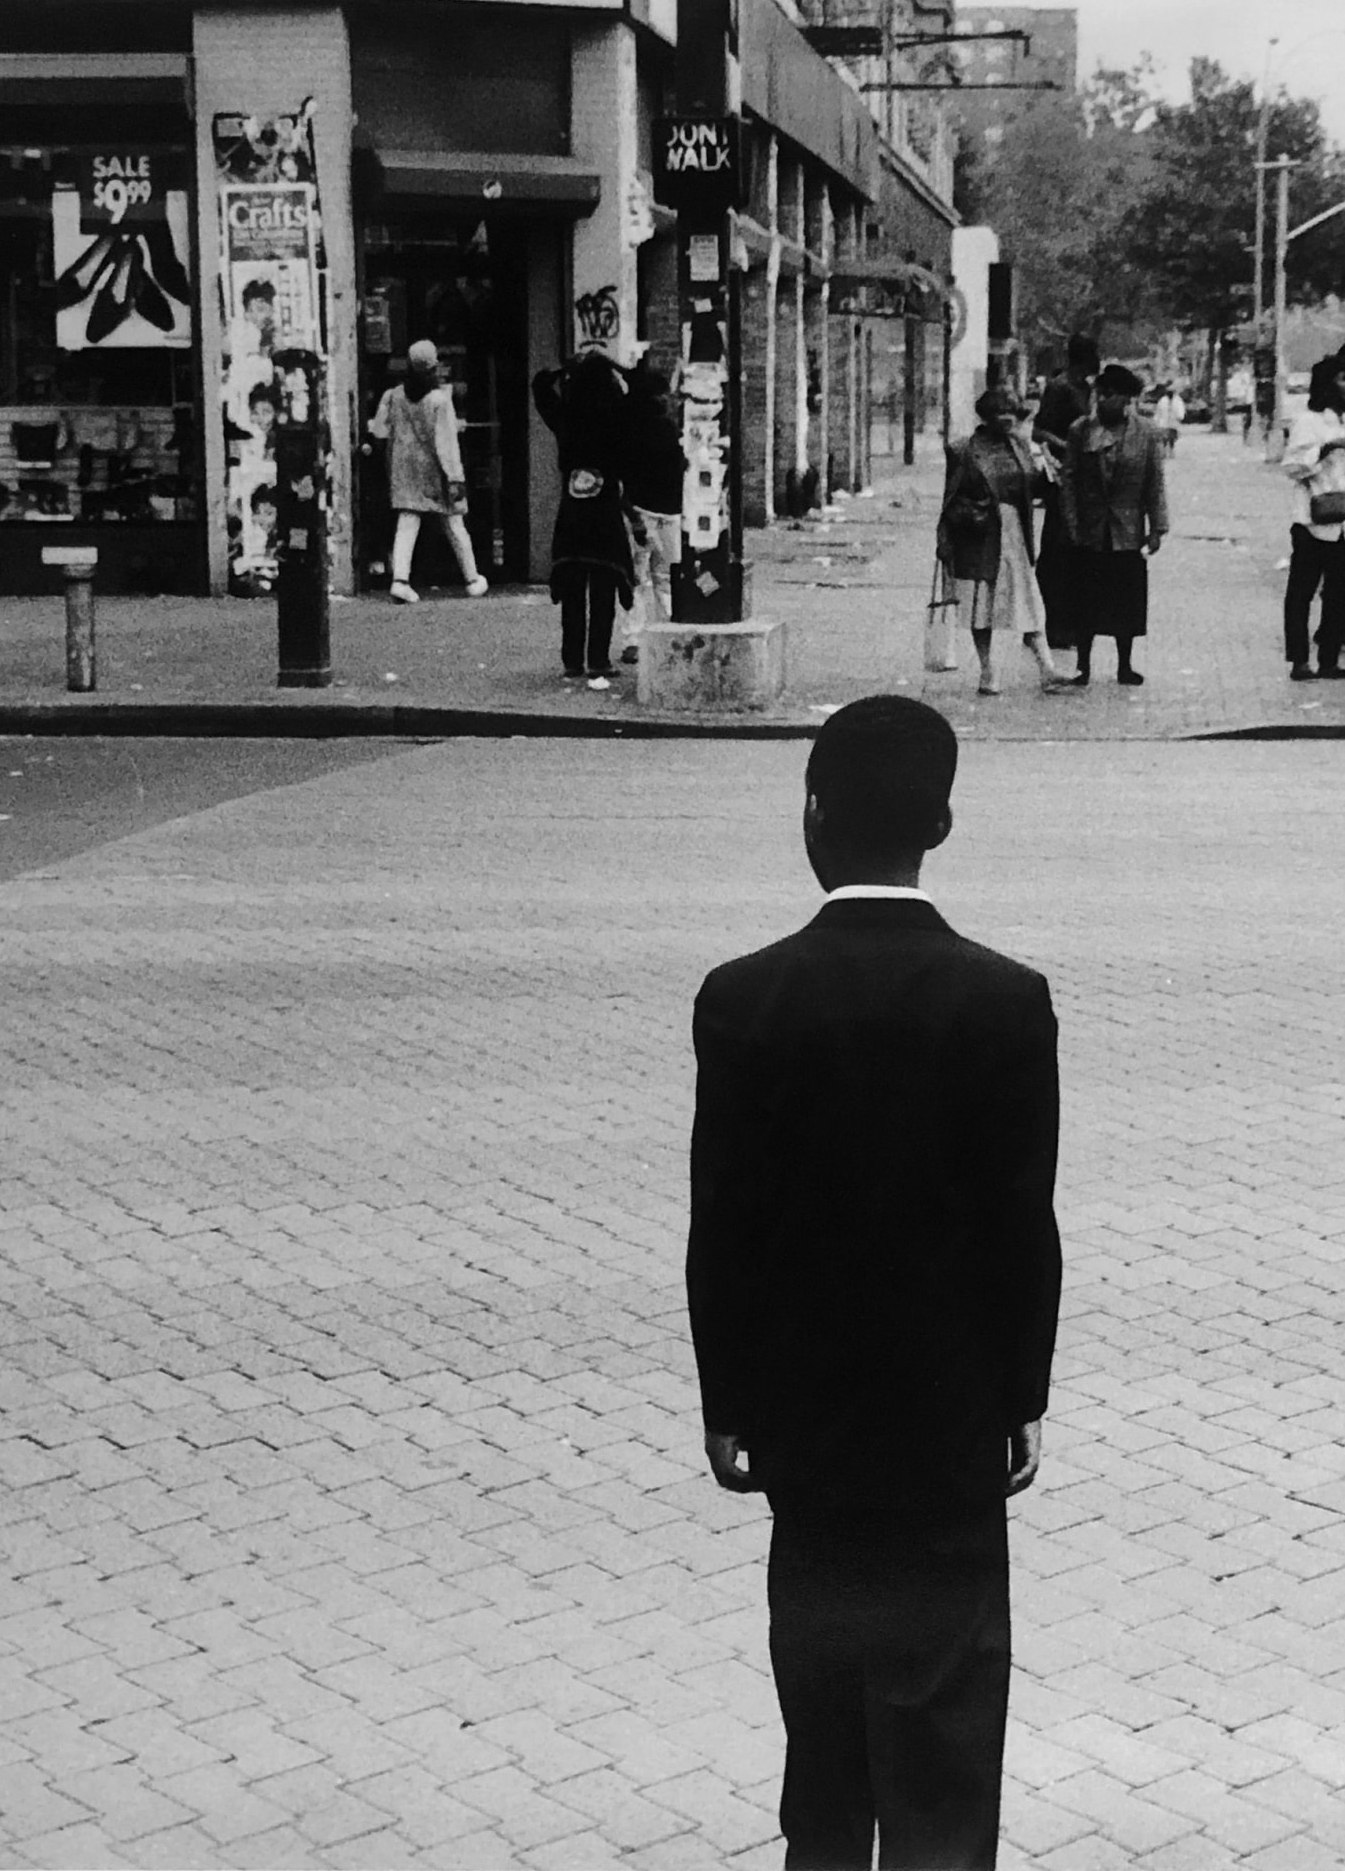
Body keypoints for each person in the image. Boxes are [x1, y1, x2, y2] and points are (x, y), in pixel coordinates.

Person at [687, 694, 1061, 1871]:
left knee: (826, 1739)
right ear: (940, 824)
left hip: (808, 1431)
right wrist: (1018, 1400)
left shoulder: (745, 998)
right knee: (946, 1742)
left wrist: (729, 1404)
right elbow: (1021, 1228)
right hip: (948, 1429)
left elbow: (722, 1230)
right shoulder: (1004, 1000)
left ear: (812, 816)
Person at [938, 386, 1064, 697]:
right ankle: (988, 669)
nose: (1009, 421)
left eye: (1013, 415)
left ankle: (1046, 668)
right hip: (979, 535)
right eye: (1002, 415)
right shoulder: (963, 449)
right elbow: (950, 498)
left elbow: (1034, 490)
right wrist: (945, 540)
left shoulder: (1021, 446)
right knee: (982, 604)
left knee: (1028, 599)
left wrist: (1048, 474)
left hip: (1014, 533)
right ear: (987, 417)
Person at [531, 349, 634, 686]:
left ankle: (572, 659)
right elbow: (643, 388)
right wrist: (613, 365)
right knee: (603, 588)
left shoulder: (567, 417)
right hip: (604, 512)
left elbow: (540, 387)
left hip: (573, 513)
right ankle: (598, 659)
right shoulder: (616, 417)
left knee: (572, 589)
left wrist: (564, 369)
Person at [1061, 362, 1168, 687]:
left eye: (1118, 398)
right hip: (1091, 529)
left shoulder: (1146, 433)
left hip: (1128, 529)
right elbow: (1069, 480)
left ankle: (1125, 664)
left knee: (1127, 599)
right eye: (1104, 395)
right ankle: (1083, 666)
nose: (1109, 402)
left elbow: (1155, 482)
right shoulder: (1081, 430)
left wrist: (1157, 527)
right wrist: (1072, 523)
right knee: (1085, 599)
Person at [366, 340, 489, 603]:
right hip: (434, 469)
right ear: (432, 368)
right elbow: (446, 443)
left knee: (407, 521)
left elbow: (379, 431)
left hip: (402, 466)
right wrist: (455, 477)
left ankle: (400, 580)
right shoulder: (439, 400)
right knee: (454, 523)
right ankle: (472, 578)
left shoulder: (393, 396)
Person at [1277, 355, 1345, 683]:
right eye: (1342, 378)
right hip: (1312, 520)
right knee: (1301, 592)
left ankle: (1329, 659)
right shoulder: (1309, 422)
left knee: (1339, 593)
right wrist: (1326, 450)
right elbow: (1292, 466)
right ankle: (1299, 660)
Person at [1029, 334, 1097, 668]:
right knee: (1057, 549)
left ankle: (1068, 620)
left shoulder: (1086, 388)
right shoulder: (1060, 388)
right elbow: (1038, 432)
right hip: (1061, 477)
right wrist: (1067, 443)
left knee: (1074, 552)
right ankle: (1048, 623)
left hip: (1082, 477)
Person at [619, 358, 688, 661]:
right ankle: (668, 631)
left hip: (643, 510)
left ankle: (636, 638)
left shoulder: (632, 429)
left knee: (638, 578)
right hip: (663, 510)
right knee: (665, 576)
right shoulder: (667, 429)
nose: (666, 400)